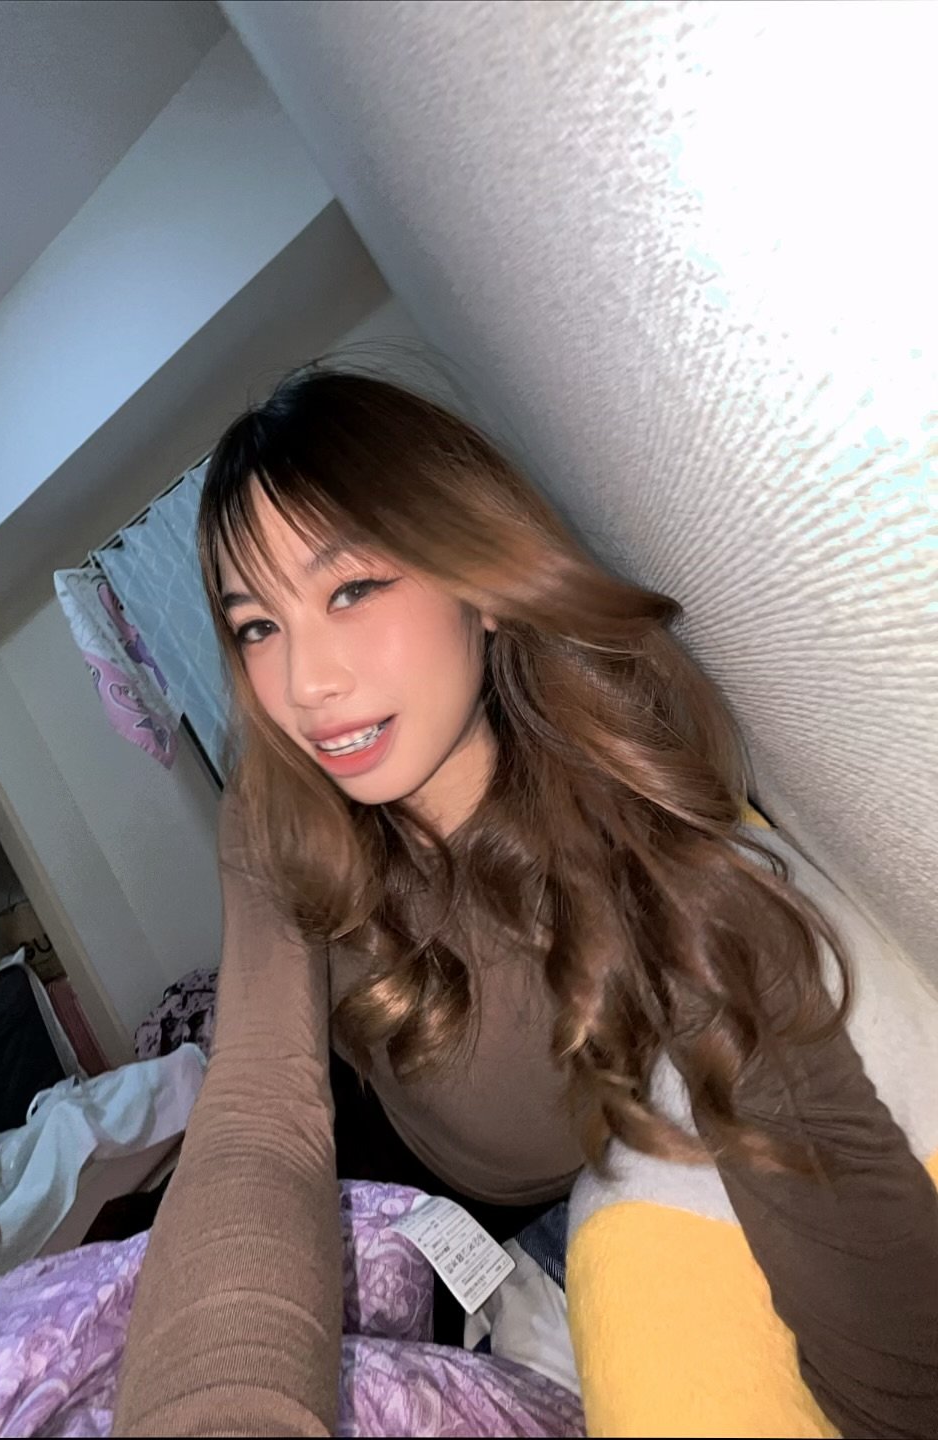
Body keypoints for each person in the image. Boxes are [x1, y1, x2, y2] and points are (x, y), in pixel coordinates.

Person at [113, 370, 938, 1438]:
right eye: (258, 627)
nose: (306, 684)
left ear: (483, 580)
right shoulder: (274, 796)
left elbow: (892, 1344)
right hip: (388, 1165)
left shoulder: (647, 844)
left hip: (562, 1202)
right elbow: (262, 1102)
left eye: (352, 590)